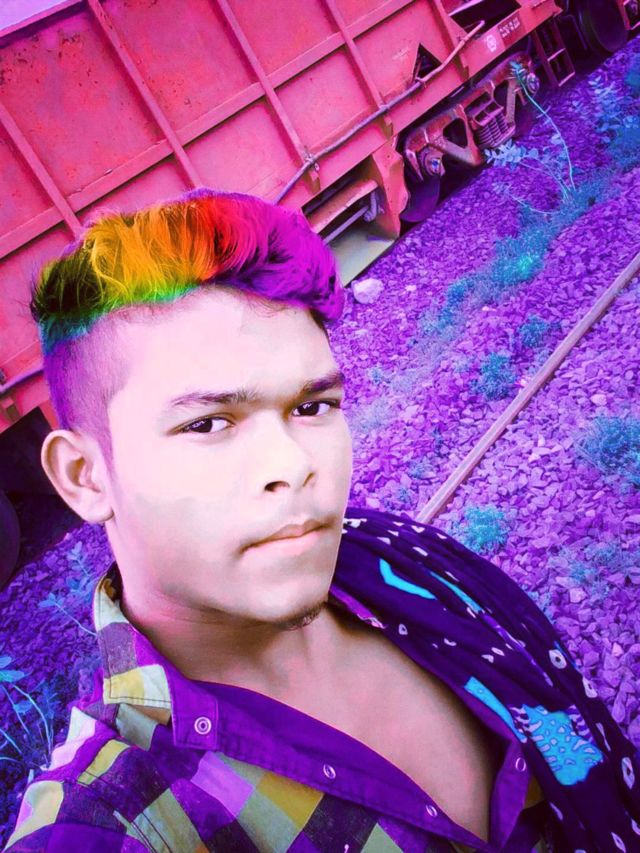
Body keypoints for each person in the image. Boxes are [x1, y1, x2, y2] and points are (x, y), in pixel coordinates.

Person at [4, 189, 639, 853]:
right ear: (85, 476)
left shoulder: (404, 563)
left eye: (312, 408)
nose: (293, 464)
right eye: (209, 423)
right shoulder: (110, 821)